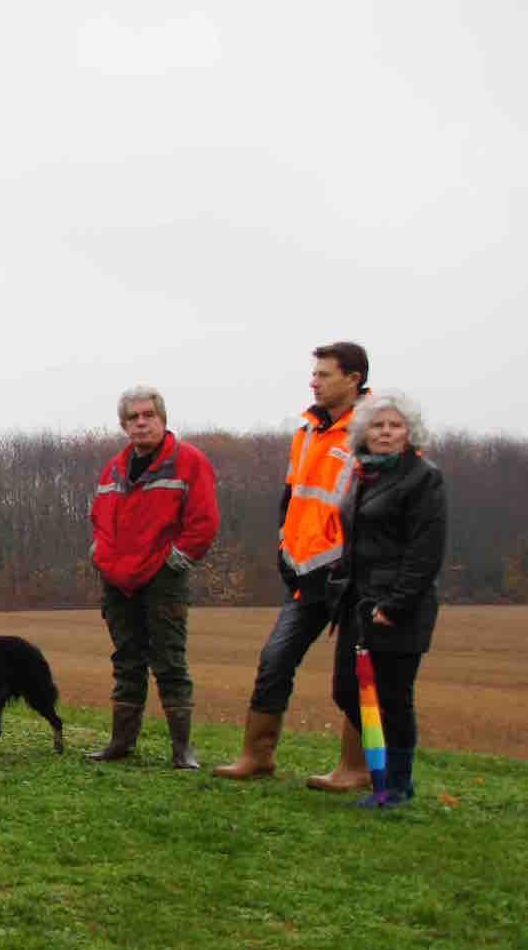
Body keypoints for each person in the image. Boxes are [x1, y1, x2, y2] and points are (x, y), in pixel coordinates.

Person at [215, 342, 375, 784]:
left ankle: (356, 767)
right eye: (314, 374)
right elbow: (293, 497)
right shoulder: (306, 430)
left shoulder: (374, 429)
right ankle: (257, 756)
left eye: (324, 374)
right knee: (274, 660)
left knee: (358, 673)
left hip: (354, 577)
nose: (314, 382)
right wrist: (285, 549)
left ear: (353, 379)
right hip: (306, 572)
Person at [87, 388, 222, 768]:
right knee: (127, 659)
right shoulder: (113, 468)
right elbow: (100, 516)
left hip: (163, 577)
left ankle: (183, 750)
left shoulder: (189, 462)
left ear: (163, 418)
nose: (141, 422)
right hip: (117, 578)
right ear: (124, 425)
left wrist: (176, 560)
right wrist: (100, 554)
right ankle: (121, 742)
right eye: (133, 417)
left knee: (169, 662)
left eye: (148, 415)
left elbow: (204, 521)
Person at [327, 393, 446, 808]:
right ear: (364, 432)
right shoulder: (362, 473)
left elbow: (425, 552)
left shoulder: (423, 478)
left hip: (399, 608)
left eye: (394, 426)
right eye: (377, 426)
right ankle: (382, 775)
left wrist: (396, 604)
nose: (386, 433)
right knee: (346, 690)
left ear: (408, 432)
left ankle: (397, 785)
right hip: (357, 604)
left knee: (394, 696)